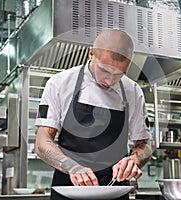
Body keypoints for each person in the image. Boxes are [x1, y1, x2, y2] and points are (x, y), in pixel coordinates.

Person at [35, 29, 152, 200]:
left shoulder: (133, 91)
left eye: (119, 74)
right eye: (104, 70)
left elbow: (145, 145)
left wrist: (134, 160)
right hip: (70, 188)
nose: (110, 80)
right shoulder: (60, 84)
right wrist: (72, 167)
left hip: (115, 189)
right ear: (91, 54)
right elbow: (42, 142)